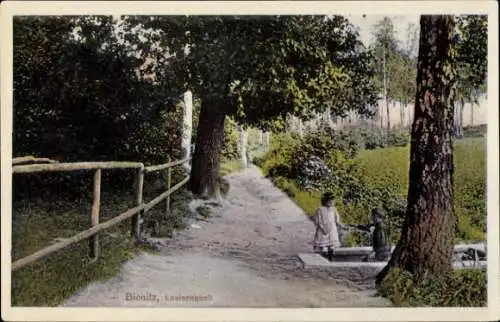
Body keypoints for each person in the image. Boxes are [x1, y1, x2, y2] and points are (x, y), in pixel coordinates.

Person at [309, 192, 347, 261]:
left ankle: (330, 258)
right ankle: (323, 258)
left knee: (331, 245)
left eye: (332, 201)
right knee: (323, 245)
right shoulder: (320, 209)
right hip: (322, 228)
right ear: (325, 201)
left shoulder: (334, 209)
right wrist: (322, 227)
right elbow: (318, 220)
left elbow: (337, 219)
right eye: (329, 201)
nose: (331, 202)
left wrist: (341, 225)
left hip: (332, 229)